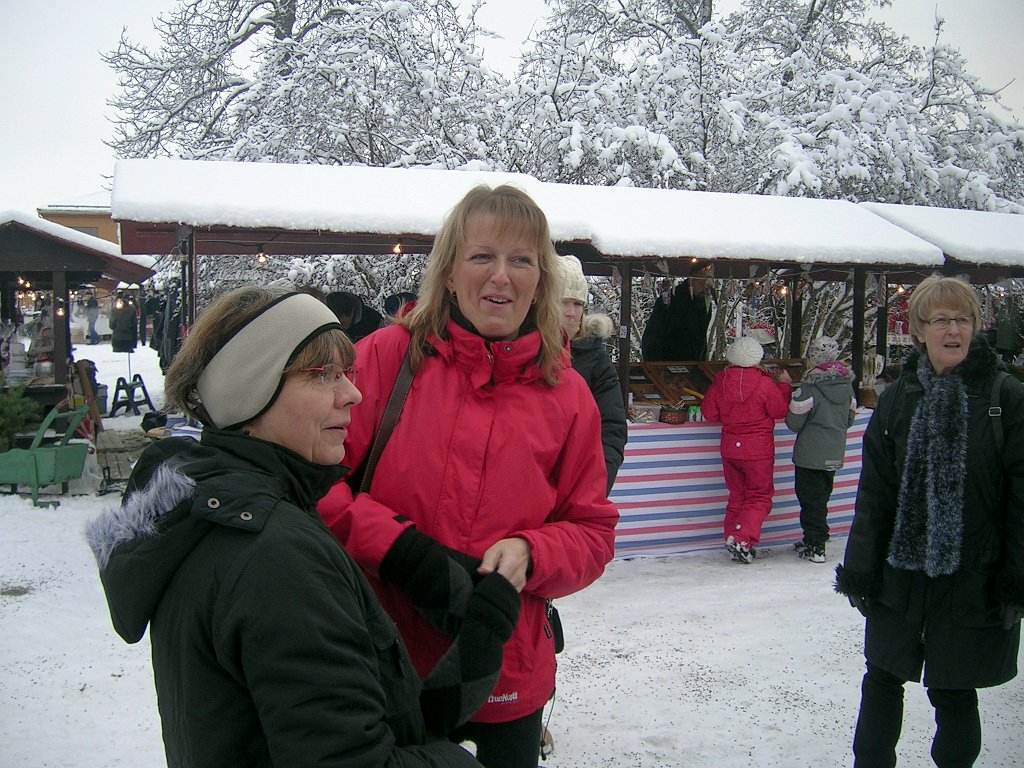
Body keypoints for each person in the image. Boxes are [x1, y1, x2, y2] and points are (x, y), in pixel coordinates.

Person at [85, 286, 520, 768]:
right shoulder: (273, 555)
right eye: (322, 376)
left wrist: (480, 639)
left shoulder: (229, 513)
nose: (352, 393)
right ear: (251, 392)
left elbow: (346, 729)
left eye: (346, 373)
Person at [318, 185, 619, 768]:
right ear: (450, 272)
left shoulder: (570, 395)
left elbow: (592, 531)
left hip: (504, 666)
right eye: (482, 256)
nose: (500, 277)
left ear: (541, 281)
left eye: (521, 260)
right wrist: (400, 549)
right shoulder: (384, 358)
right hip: (383, 657)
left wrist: (533, 551)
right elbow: (313, 484)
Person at [835, 276, 1024, 768]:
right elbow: (874, 494)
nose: (952, 330)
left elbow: (1022, 503)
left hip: (972, 577)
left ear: (976, 327)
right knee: (881, 678)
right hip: (900, 578)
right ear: (919, 330)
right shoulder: (899, 398)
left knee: (954, 692)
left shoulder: (1007, 398)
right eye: (940, 320)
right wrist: (860, 570)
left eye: (962, 319)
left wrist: (1015, 584)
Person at [700, 334, 792, 564]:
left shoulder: (721, 381)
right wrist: (785, 386)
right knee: (759, 496)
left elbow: (709, 413)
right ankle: (742, 538)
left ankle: (734, 537)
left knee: (738, 496)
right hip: (758, 448)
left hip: (730, 446)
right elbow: (779, 410)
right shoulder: (764, 383)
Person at [556, 254, 627, 493]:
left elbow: (612, 427)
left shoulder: (596, 359)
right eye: (563, 302)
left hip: (578, 485)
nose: (571, 312)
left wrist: (598, 484)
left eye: (577, 304)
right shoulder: (520, 349)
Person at [785, 335, 857, 563]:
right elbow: (850, 419)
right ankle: (812, 539)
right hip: (834, 451)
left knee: (810, 500)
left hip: (810, 455)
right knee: (821, 498)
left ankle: (816, 545)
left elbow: (794, 422)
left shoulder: (809, 387)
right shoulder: (847, 387)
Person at [640, 263, 713, 361]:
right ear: (691, 281)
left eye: (708, 284)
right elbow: (653, 335)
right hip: (667, 362)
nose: (705, 288)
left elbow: (701, 337)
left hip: (694, 363)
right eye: (702, 284)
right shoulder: (670, 300)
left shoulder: (704, 304)